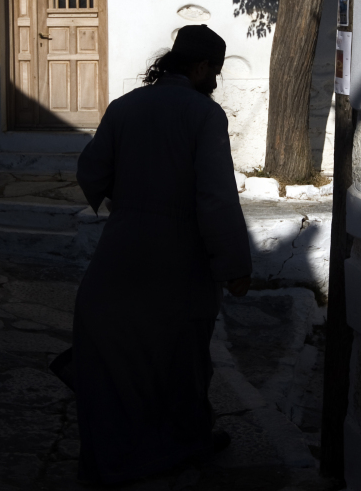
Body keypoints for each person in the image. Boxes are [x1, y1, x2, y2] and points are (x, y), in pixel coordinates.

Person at [66, 24, 253, 485]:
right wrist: (234, 267)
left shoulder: (125, 106)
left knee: (116, 359)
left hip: (120, 250)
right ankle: (183, 444)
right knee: (181, 357)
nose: (215, 81)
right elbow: (215, 200)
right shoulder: (205, 115)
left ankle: (114, 455)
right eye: (214, 70)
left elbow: (91, 172)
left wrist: (128, 206)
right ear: (199, 66)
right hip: (178, 261)